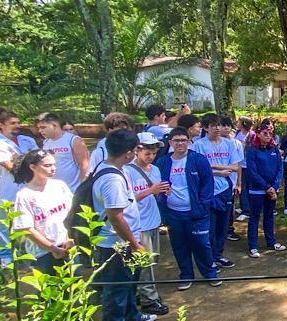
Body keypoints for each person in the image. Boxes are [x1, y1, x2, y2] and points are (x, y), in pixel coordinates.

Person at [90, 129, 158, 321]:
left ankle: (133, 316)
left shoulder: (113, 168)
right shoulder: (112, 179)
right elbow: (115, 216)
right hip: (116, 244)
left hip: (125, 241)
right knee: (116, 291)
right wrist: (134, 244)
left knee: (128, 285)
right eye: (136, 149)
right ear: (129, 153)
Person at [156, 127, 220, 291]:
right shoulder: (163, 162)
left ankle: (210, 273)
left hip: (197, 213)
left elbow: (207, 184)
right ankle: (186, 275)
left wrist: (203, 205)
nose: (180, 143)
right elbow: (156, 185)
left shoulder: (198, 160)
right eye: (176, 140)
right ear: (170, 142)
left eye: (183, 140)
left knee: (201, 244)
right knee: (179, 245)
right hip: (173, 213)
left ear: (189, 142)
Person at [124, 133, 171, 316]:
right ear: (137, 150)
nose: (151, 156)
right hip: (138, 224)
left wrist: (163, 191)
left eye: (154, 152)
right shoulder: (126, 171)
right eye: (147, 152)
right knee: (145, 263)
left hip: (153, 220)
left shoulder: (155, 169)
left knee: (150, 261)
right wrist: (150, 191)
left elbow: (156, 191)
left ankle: (142, 292)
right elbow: (125, 200)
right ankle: (149, 299)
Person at [10, 149, 75, 275]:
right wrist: (52, 249)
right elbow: (26, 228)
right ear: (33, 167)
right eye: (47, 165)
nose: (53, 168)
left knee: (72, 287)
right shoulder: (24, 195)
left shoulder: (60, 186)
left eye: (54, 164)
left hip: (67, 246)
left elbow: (71, 214)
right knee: (48, 290)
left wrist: (69, 238)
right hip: (42, 253)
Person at [0, 108, 39, 265]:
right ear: (1, 125)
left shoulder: (27, 140)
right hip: (10, 190)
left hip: (32, 188)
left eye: (18, 122)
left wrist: (19, 159)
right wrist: (27, 162)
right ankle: (6, 256)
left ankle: (31, 254)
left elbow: (40, 160)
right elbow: (11, 167)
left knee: (32, 223)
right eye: (12, 123)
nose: (17, 125)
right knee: (7, 224)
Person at [190, 113, 241, 269]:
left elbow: (235, 167)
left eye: (219, 125)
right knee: (209, 227)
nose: (218, 128)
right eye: (213, 125)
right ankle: (209, 258)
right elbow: (197, 169)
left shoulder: (229, 144)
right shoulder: (198, 145)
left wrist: (213, 166)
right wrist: (219, 172)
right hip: (208, 191)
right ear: (206, 128)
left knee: (223, 225)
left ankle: (219, 255)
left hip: (226, 189)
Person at [244, 124, 287, 258]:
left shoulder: (274, 148)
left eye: (270, 134)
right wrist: (267, 187)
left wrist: (274, 187)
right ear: (258, 134)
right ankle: (253, 246)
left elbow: (280, 168)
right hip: (257, 190)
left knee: (269, 216)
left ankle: (271, 241)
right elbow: (252, 172)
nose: (268, 136)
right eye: (265, 133)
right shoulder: (252, 150)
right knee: (255, 217)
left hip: (272, 190)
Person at [37, 112, 90, 191]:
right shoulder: (46, 142)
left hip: (73, 189)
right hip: (53, 190)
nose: (40, 131)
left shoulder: (74, 140)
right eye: (39, 128)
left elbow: (85, 164)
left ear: (54, 125)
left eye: (43, 127)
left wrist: (83, 187)